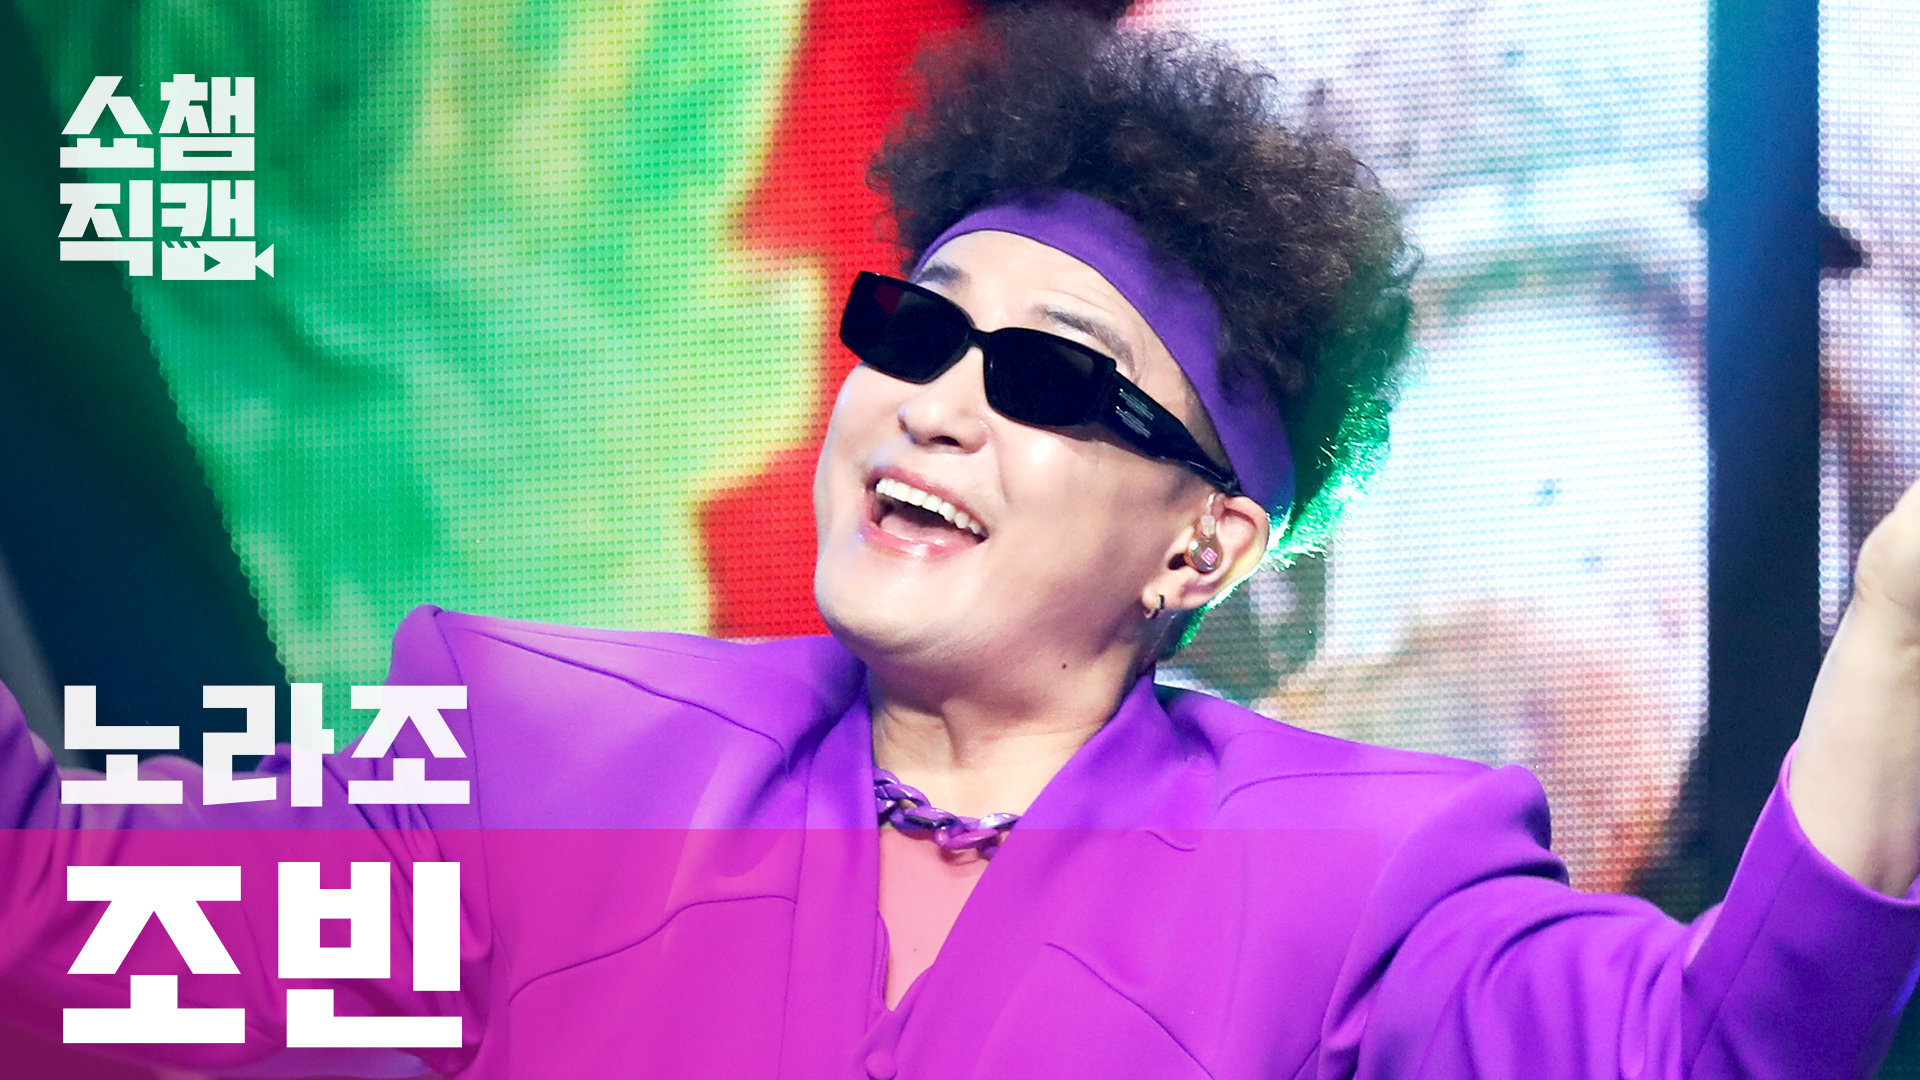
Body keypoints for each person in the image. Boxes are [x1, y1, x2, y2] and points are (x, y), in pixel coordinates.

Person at [4, 9, 1920, 1079]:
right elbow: (50, 922)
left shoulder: (1365, 878)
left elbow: (1718, 1054)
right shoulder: (545, 762)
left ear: (1204, 550)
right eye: (916, 329)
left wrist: (1902, 630)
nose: (935, 400)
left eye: (1056, 378)